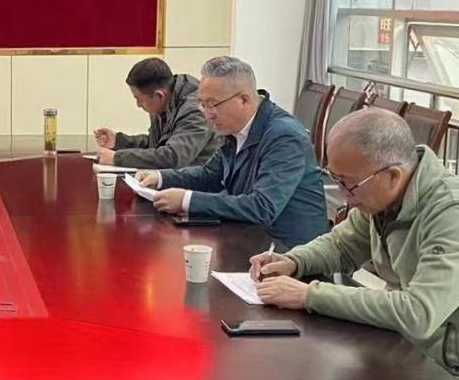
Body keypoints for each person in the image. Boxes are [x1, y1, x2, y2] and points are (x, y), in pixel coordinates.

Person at [249, 108, 459, 380]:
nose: (344, 195)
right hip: (419, 357)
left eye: (348, 183)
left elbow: (418, 313)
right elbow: (342, 245)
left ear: (392, 176)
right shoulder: (384, 200)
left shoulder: (457, 216)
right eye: (335, 179)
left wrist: (310, 295)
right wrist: (294, 261)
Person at [136, 56, 326, 247]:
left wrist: (187, 200)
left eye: (213, 104)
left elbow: (262, 207)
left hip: (289, 251)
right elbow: (209, 175)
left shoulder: (284, 136)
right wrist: (160, 177)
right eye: (203, 104)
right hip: (246, 238)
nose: (207, 114)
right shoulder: (234, 129)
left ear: (244, 100)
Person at [93, 57, 218, 168]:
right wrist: (119, 141)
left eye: (139, 99)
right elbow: (156, 145)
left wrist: (118, 158)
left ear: (159, 96)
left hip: (198, 184)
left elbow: (172, 157)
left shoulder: (196, 111)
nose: (138, 105)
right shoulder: (165, 101)